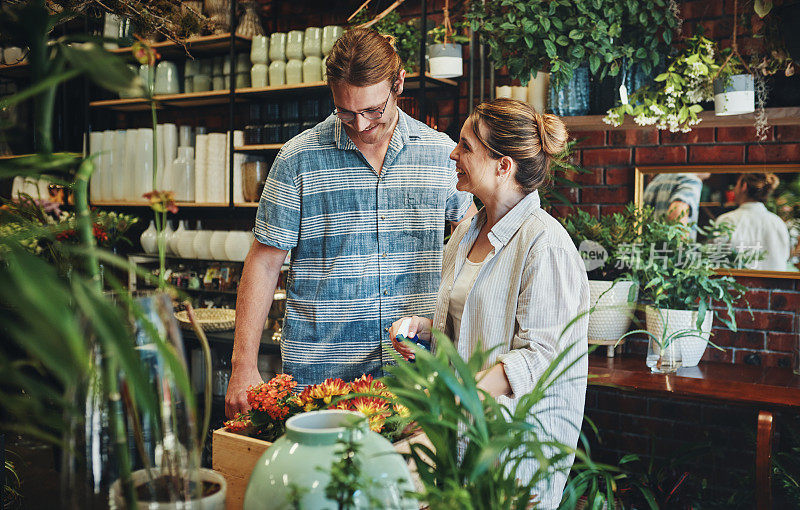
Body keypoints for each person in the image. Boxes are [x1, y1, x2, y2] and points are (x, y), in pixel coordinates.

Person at [225, 28, 477, 418]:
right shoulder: (297, 160)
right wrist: (243, 365)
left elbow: (473, 244)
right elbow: (263, 262)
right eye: (346, 111)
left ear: (399, 83)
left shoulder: (441, 153)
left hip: (416, 375)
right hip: (321, 378)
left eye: (373, 110)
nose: (360, 124)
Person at [389, 98, 588, 509]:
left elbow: (540, 357)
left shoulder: (545, 244)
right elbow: (468, 317)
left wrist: (457, 399)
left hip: (508, 452)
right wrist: (424, 328)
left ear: (503, 166)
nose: (453, 153)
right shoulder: (466, 232)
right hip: (457, 433)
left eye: (465, 146)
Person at [716, 173, 791, 271]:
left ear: (744, 187)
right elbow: (784, 257)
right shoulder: (778, 223)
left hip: (735, 285)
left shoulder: (727, 220)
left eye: (737, 184)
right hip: (775, 285)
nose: (734, 189)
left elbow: (714, 259)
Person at [642, 172, 710, 234]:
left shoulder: (656, 180)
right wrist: (680, 246)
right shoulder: (691, 181)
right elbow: (677, 214)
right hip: (669, 247)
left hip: (649, 246)